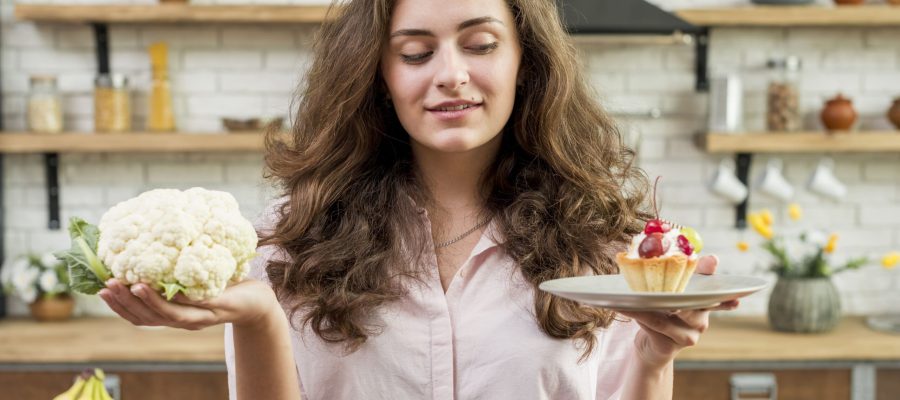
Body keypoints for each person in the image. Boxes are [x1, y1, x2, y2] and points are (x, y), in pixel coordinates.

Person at [98, 0, 739, 399]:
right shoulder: (295, 238)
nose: (450, 74)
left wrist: (656, 356)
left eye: (481, 44)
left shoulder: (599, 244)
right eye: (415, 52)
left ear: (527, 62)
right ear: (379, 74)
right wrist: (259, 318)